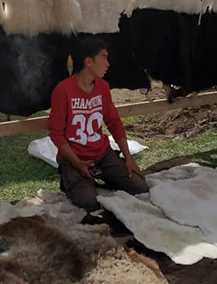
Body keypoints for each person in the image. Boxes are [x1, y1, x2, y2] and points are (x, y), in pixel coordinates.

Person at [48, 38, 148, 212]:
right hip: (74, 157)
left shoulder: (103, 87)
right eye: (104, 57)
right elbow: (55, 133)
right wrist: (78, 163)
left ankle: (103, 175)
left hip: (102, 153)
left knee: (140, 188)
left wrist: (129, 158)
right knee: (88, 202)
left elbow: (114, 122)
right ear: (88, 61)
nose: (108, 64)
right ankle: (71, 178)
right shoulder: (63, 90)